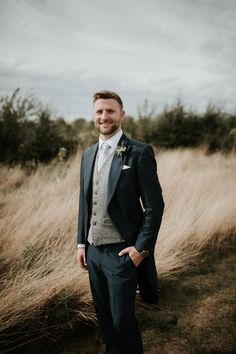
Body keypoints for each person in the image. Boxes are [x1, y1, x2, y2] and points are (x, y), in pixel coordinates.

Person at [76, 90, 164, 354]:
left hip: (122, 253)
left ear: (121, 115)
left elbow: (154, 206)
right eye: (99, 112)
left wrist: (140, 249)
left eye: (110, 111)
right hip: (93, 253)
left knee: (122, 320)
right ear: (94, 116)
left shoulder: (139, 152)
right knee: (104, 319)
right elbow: (84, 202)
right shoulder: (88, 155)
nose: (104, 117)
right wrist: (81, 243)